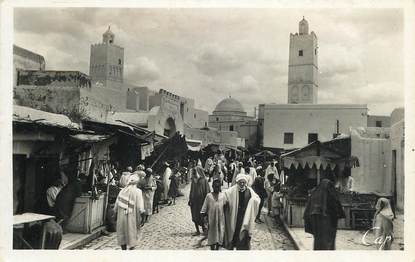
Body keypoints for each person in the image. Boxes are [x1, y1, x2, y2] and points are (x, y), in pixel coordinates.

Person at [303, 178, 345, 250]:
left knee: (318, 240)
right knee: (327, 242)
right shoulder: (330, 194)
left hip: (315, 219)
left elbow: (307, 211)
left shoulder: (315, 194)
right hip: (327, 221)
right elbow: (335, 205)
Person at [223, 174, 260, 250]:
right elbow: (225, 195)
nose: (242, 184)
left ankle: (242, 248)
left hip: (245, 215)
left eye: (243, 182)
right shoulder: (232, 190)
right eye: (240, 182)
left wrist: (254, 200)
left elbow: (256, 198)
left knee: (244, 233)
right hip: (235, 215)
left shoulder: (249, 190)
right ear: (237, 182)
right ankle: (233, 245)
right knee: (235, 231)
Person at [113, 174, 144, 250]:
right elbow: (140, 207)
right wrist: (142, 216)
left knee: (122, 232)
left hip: (121, 216)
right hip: (132, 216)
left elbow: (116, 205)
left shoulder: (122, 191)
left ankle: (123, 250)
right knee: (132, 232)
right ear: (136, 183)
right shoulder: (138, 192)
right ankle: (131, 249)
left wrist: (115, 214)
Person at [200, 179, 226, 250]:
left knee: (219, 233)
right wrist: (204, 220)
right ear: (212, 187)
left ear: (220, 187)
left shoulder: (223, 196)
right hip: (211, 219)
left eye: (218, 187)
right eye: (215, 187)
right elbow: (204, 208)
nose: (217, 188)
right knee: (212, 234)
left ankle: (217, 248)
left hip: (220, 219)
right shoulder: (209, 196)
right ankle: (212, 248)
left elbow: (226, 206)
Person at [189, 166, 210, 236]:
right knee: (195, 215)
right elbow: (191, 190)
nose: (195, 173)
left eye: (196, 172)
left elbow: (207, 191)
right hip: (194, 202)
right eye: (194, 172)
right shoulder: (193, 180)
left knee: (203, 216)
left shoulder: (204, 180)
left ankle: (205, 230)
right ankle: (197, 230)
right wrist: (190, 199)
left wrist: (207, 200)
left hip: (202, 201)